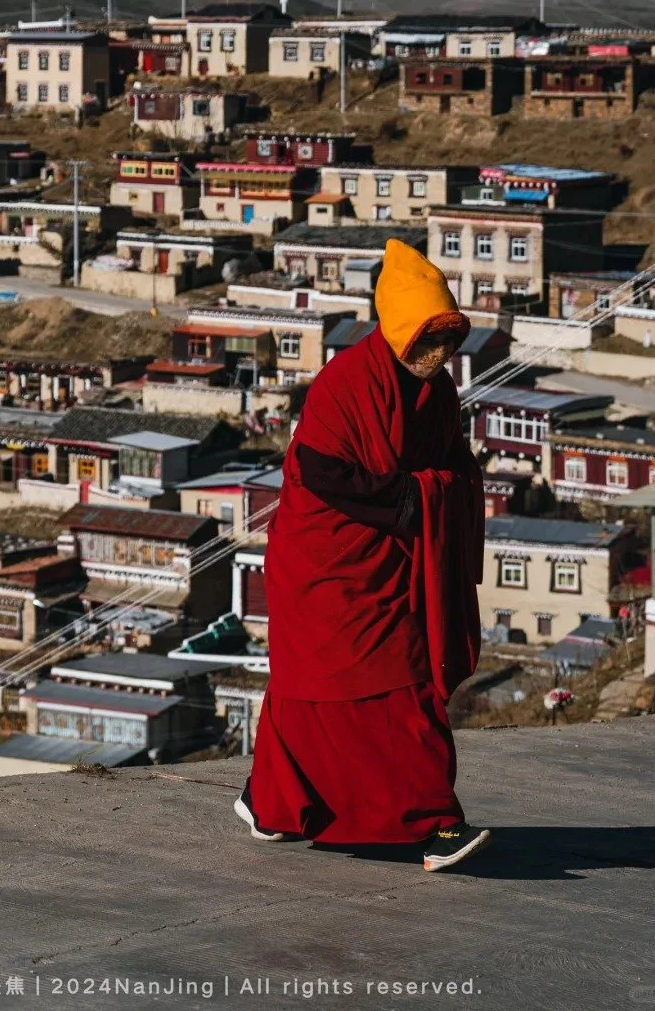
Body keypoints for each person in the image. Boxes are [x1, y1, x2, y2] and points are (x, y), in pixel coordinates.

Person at [234, 238, 490, 872]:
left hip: (384, 560)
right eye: (428, 340)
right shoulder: (347, 383)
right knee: (397, 690)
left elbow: (452, 461)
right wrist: (415, 500)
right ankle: (436, 825)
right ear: (400, 331)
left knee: (317, 690)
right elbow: (320, 472)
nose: (440, 356)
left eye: (449, 340)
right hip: (326, 560)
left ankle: (272, 802)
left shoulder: (439, 396)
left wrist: (444, 490)